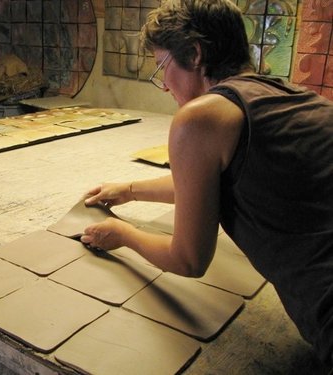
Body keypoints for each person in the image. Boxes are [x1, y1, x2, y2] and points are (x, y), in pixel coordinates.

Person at [80, 0, 333, 368]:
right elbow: (213, 180)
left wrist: (122, 234)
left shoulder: (200, 118)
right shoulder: (295, 99)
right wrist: (130, 190)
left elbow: (189, 259)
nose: (164, 86)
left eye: (162, 67)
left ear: (195, 54)